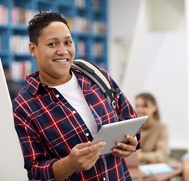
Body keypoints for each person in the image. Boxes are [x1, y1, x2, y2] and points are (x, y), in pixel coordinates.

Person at [12, 11, 140, 181]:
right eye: (52, 44)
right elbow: (33, 172)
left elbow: (131, 120)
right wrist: (69, 165)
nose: (63, 51)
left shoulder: (96, 76)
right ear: (33, 49)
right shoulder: (24, 106)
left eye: (68, 42)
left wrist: (132, 143)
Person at [135, 92, 170, 163]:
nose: (139, 110)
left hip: (152, 169)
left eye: (144, 106)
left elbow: (163, 155)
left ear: (154, 108)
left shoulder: (162, 128)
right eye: (137, 106)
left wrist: (142, 156)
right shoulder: (132, 127)